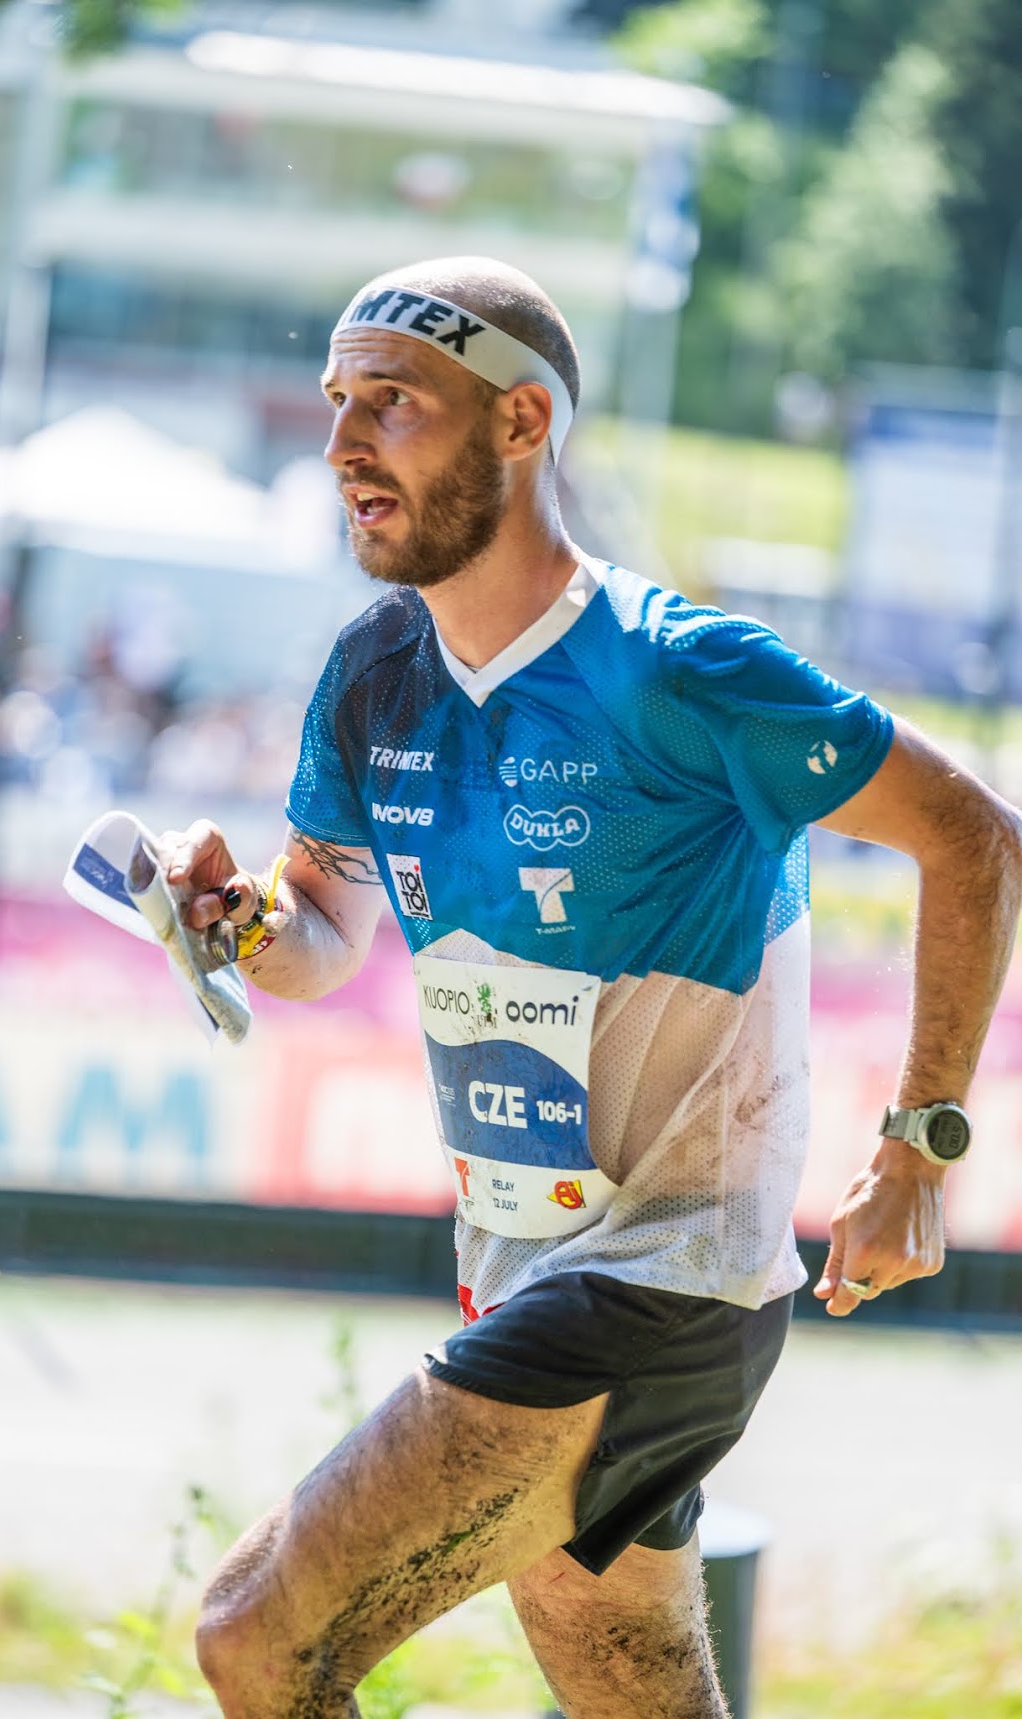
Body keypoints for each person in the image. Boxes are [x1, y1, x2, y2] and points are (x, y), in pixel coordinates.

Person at [162, 257, 1022, 1719]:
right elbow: (321, 930)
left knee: (258, 1635)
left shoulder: (680, 667)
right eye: (337, 401)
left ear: (521, 423)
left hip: (663, 1288)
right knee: (639, 1701)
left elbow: (977, 837)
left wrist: (919, 1150)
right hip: (533, 1273)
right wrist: (236, 922)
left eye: (393, 401)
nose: (345, 442)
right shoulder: (376, 671)